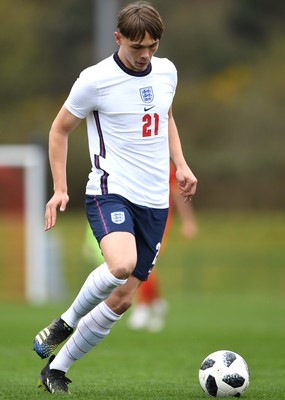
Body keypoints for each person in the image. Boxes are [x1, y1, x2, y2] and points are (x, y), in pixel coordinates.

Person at [33, 1, 197, 394]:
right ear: (117, 38)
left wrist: (182, 165)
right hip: (111, 192)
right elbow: (59, 130)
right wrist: (59, 188)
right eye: (136, 47)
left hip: (156, 201)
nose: (144, 56)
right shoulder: (95, 80)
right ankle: (66, 320)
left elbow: (166, 116)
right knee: (122, 265)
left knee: (123, 300)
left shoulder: (167, 71)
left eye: (152, 47)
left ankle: (56, 368)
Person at [127, 162, 197, 332]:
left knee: (143, 260)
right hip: (137, 217)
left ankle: (143, 306)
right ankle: (157, 303)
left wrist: (188, 221)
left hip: (159, 221)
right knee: (135, 260)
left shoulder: (165, 164)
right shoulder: (132, 158)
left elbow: (177, 194)